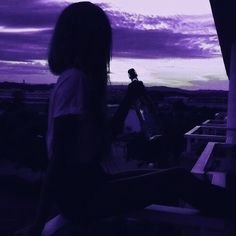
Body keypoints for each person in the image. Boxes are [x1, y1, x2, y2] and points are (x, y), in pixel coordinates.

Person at [15, 2, 236, 235]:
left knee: (176, 178)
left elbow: (101, 140)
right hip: (80, 195)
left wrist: (129, 100)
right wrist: (38, 223)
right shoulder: (74, 81)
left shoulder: (75, 81)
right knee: (178, 180)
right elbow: (60, 155)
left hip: (90, 184)